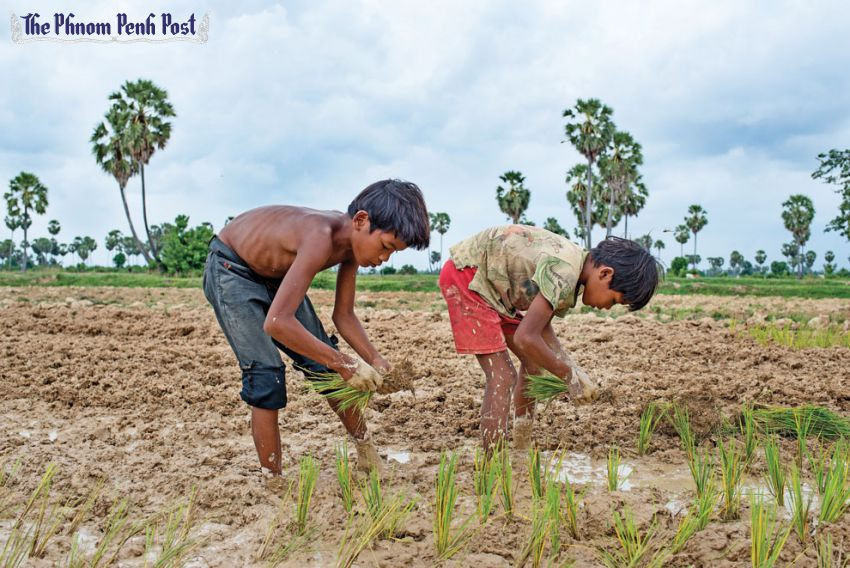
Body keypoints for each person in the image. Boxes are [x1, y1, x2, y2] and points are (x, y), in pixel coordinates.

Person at [203, 179, 430, 474]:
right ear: (361, 220)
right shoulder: (320, 236)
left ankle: (367, 453)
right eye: (386, 246)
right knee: (266, 375)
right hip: (231, 270)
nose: (384, 258)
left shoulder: (352, 245)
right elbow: (277, 323)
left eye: (393, 253)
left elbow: (344, 316)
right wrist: (345, 363)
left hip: (277, 278)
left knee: (325, 367)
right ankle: (272, 479)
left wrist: (375, 360)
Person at [438, 225, 659, 451]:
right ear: (605, 274)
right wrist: (568, 376)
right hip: (468, 278)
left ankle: (521, 444)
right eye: (613, 301)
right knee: (502, 376)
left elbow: (541, 328)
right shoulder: (565, 271)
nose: (606, 308)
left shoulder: (573, 270)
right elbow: (526, 337)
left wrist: (573, 367)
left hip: (496, 291)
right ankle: (493, 465)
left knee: (533, 363)